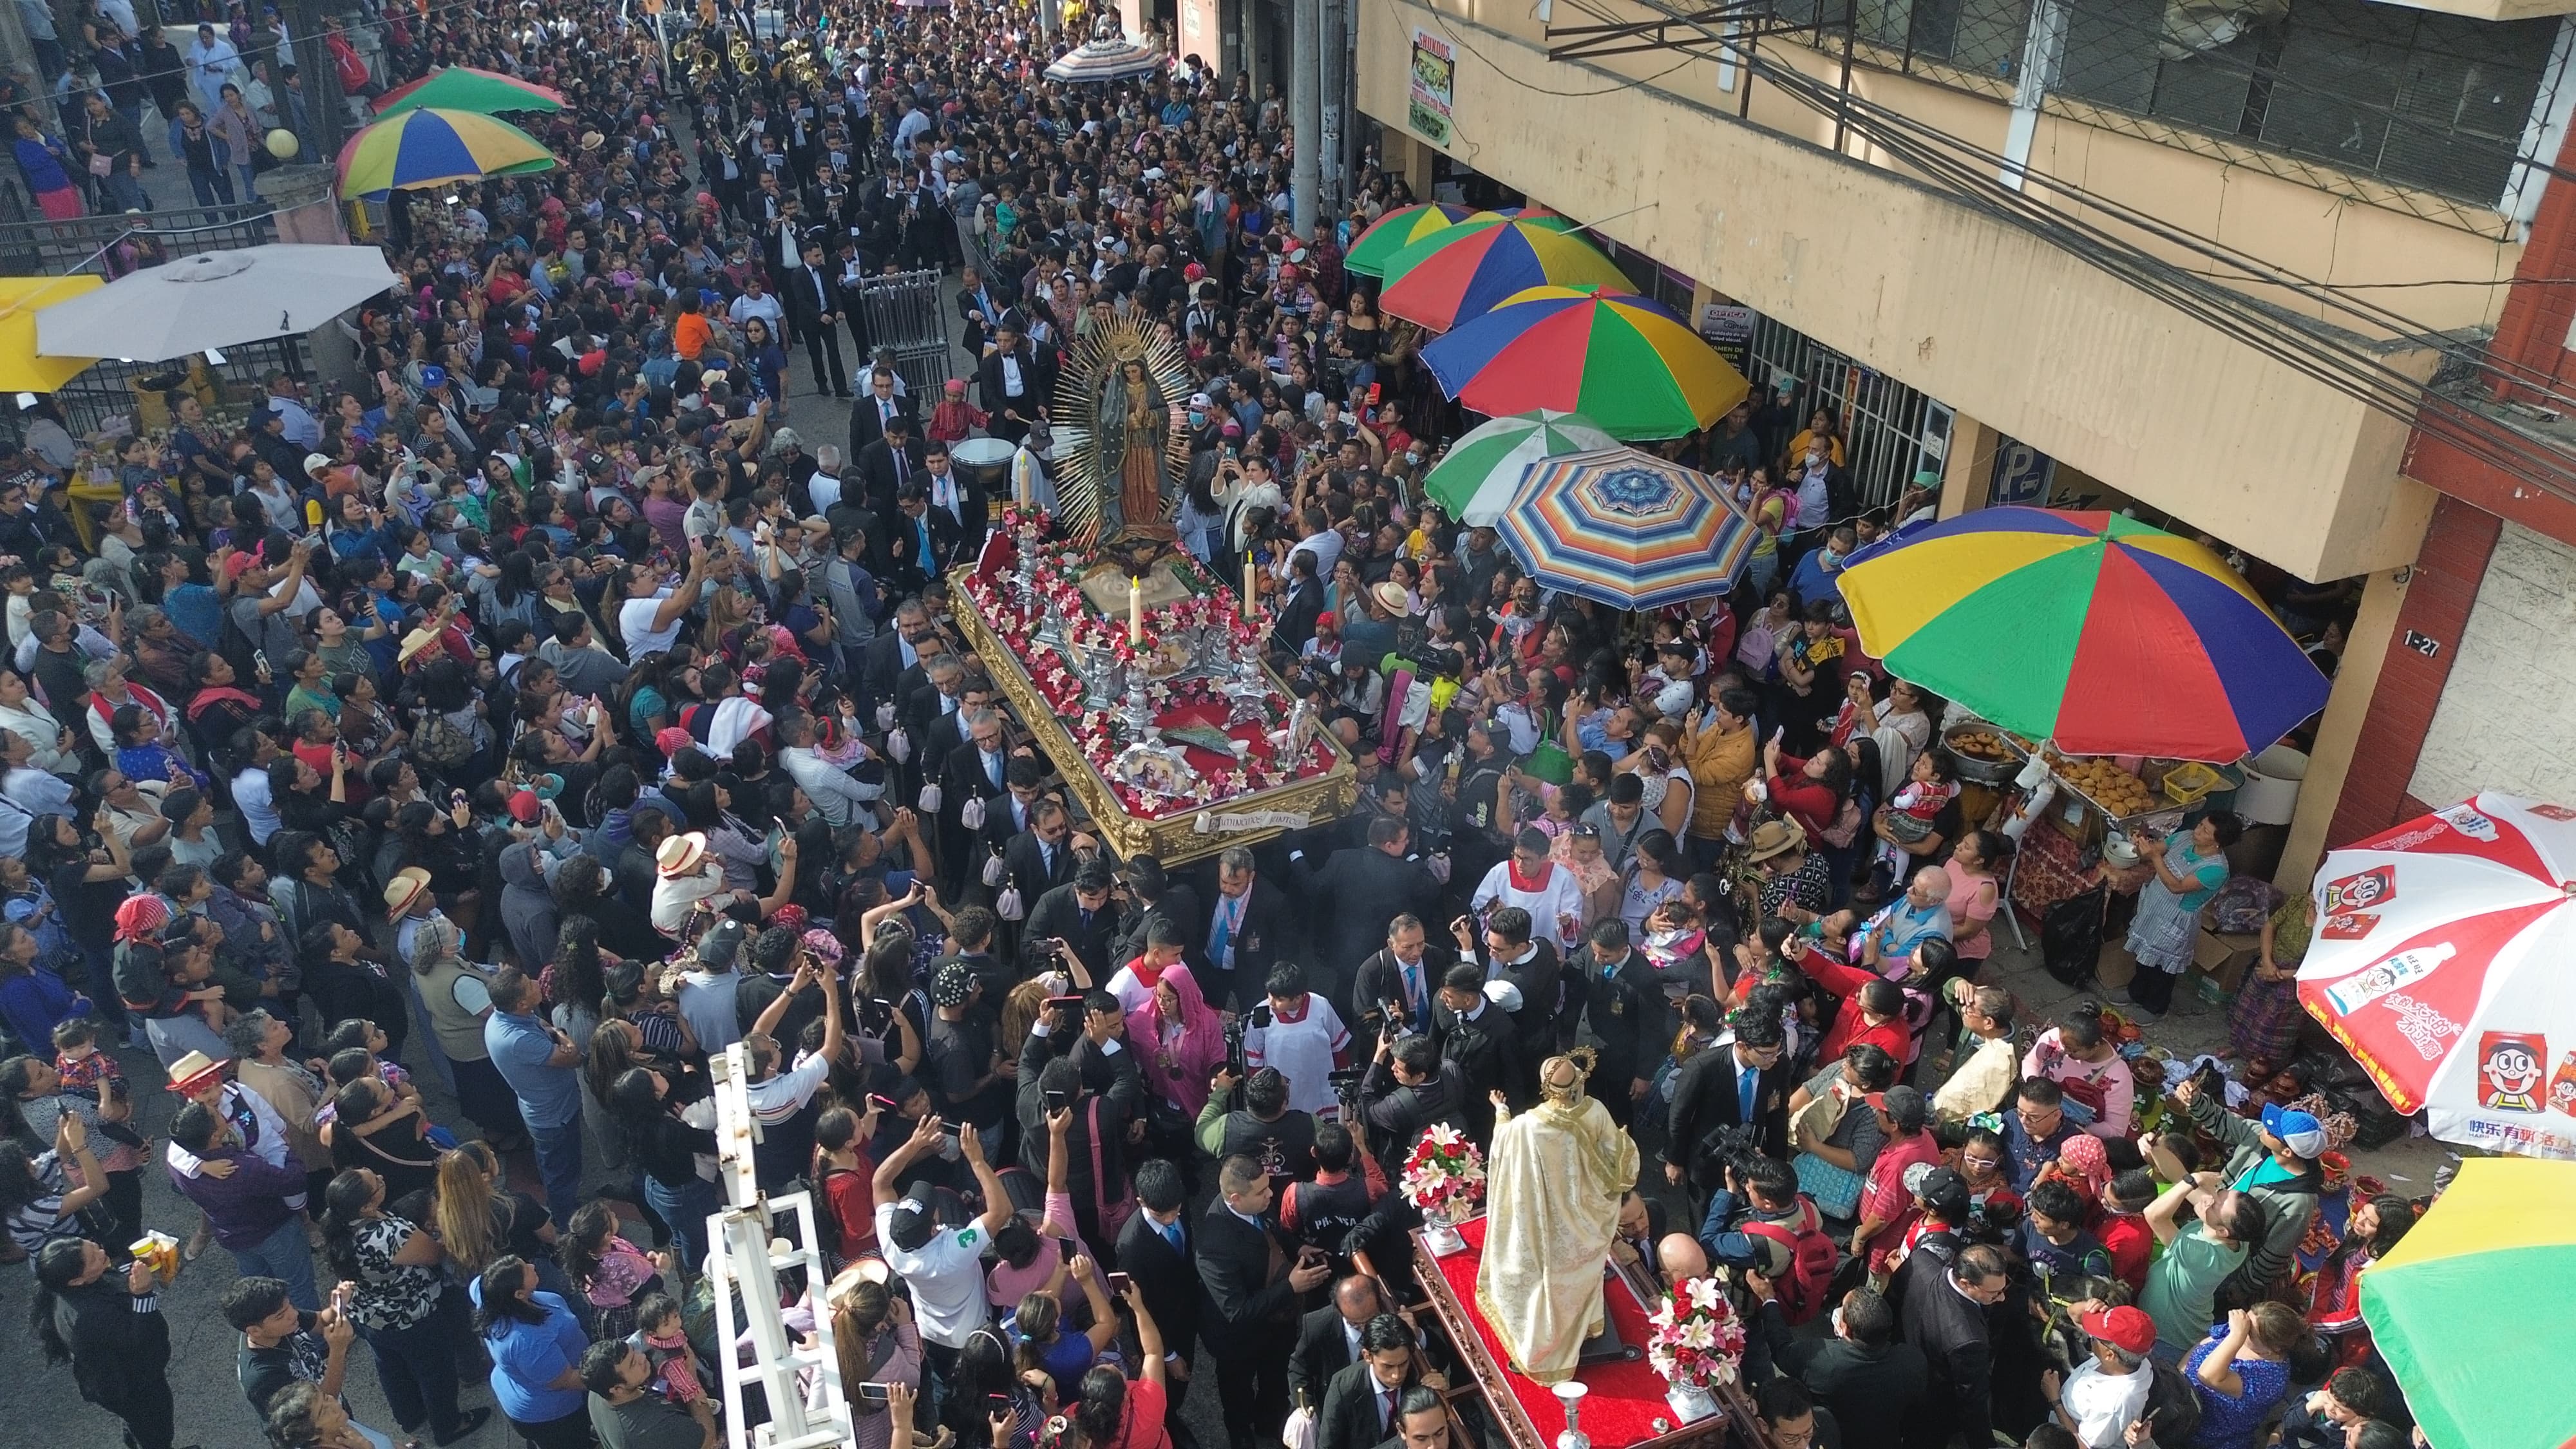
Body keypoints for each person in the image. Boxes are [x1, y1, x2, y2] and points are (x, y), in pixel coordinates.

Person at [1477, 1053, 1640, 1383]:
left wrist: (1501, 1111)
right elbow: (1621, 1163)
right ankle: (1590, 1323)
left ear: (1545, 1088)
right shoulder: (1594, 1111)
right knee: (1583, 1275)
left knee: (1546, 1275)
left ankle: (1551, 1335)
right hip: (1586, 1218)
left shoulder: (1528, 1125)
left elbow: (1502, 1144)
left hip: (1545, 1218)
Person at [319, 1168, 489, 1446]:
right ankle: (449, 1425)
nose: (382, 1179)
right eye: (377, 1182)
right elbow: (434, 1256)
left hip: (370, 1316)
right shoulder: (389, 1234)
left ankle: (410, 1417)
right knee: (437, 1372)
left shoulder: (338, 1228)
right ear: (366, 1206)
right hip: (413, 1319)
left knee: (391, 1369)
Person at [1200, 1153, 1335, 1449]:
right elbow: (1236, 1310)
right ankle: (1241, 1434)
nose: (1270, 1195)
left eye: (1268, 1187)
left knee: (1275, 1381)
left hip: (1276, 1326)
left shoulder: (1258, 1202)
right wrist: (1290, 1287)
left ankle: (1266, 1423)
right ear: (1235, 1199)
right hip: (1239, 1339)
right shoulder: (1214, 1245)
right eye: (1262, 1191)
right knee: (1237, 1394)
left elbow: (1276, 1231)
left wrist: (1298, 1248)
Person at [31, 1238, 176, 1449]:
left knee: (137, 1427)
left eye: (95, 1246)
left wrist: (136, 1266)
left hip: (117, 1379)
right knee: (156, 1432)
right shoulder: (89, 1318)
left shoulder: (71, 1287)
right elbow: (144, 1339)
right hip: (130, 1386)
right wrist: (144, 1294)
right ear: (76, 1281)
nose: (101, 1252)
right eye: (94, 1258)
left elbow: (107, 1278)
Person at [483, 965, 584, 1229]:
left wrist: (551, 1032)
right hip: (554, 1116)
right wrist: (562, 1035)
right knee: (562, 1173)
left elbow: (540, 1024)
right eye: (530, 986)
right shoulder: (518, 1039)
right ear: (522, 1002)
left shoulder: (505, 1018)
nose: (537, 983)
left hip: (545, 1109)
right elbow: (571, 1058)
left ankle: (564, 1206)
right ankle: (566, 1225)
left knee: (553, 1166)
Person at [2117, 811, 2242, 1022]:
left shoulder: (2216, 869)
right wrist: (2142, 845)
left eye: (2205, 831)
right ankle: (2135, 992)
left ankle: (2156, 1007)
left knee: (2162, 968)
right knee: (2143, 956)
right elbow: (2156, 850)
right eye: (2201, 824)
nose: (2197, 831)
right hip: (2154, 905)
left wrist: (2156, 858)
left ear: (2218, 843)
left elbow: (2177, 887)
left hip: (2175, 918)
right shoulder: (2185, 837)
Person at [472, 1255, 596, 1449]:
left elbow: (477, 1285)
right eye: (526, 1270)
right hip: (551, 1413)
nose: (532, 1265)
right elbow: (565, 1381)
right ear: (519, 1294)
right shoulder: (527, 1341)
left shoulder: (489, 1292)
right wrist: (611, 1378)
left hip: (518, 1386)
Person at [2136, 1170, 2262, 1358]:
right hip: (2180, 1321)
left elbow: (2153, 1215)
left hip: (2167, 1336)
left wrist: (2193, 1180)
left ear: (2222, 1231)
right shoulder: (2236, 1238)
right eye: (2220, 1193)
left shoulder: (2206, 1258)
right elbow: (2178, 1175)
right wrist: (2155, 1146)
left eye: (2216, 1203)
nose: (2210, 1198)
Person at [1779, 1288, 1924, 1449]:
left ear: (1846, 1329)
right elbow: (1916, 1415)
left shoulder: (1821, 1360)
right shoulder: (1912, 1362)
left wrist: (1768, 1301)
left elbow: (1782, 1350)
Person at [1898, 1242, 2007, 1449]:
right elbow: (1972, 1402)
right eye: (1994, 1293)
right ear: (1966, 1284)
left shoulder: (1921, 1260)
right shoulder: (1969, 1340)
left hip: (1903, 1366)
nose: (2002, 1298)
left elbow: (1893, 1298)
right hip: (1933, 1401)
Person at [2184, 1304, 2306, 1449]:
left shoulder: (2270, 1379)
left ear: (2273, 1349)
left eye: (2248, 1331)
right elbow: (2202, 1345)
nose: (2241, 1327)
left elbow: (2208, 1376)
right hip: (2182, 1404)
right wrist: (2178, 1374)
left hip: (2207, 1438)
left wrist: (2236, 1336)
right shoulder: (2244, 1327)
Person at [2036, 1303, 2155, 1448]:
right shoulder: (2134, 1359)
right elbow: (2077, 1317)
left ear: (2110, 1355)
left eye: (2094, 1337)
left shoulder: (2115, 1404)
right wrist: (2091, 1305)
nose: (2089, 1336)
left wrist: (2054, 1399)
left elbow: (2083, 1446)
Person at [583, 1336, 720, 1449]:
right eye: (632, 1364)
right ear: (617, 1389)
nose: (642, 1357)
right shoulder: (651, 1428)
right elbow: (708, 1441)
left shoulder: (597, 1393)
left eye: (634, 1352)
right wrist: (690, 1381)